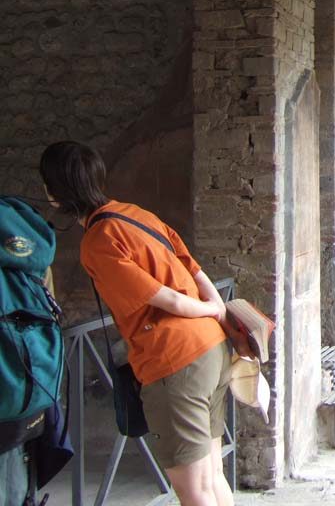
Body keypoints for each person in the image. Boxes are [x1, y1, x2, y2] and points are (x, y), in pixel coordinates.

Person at [39, 141, 233, 506]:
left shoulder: (98, 240)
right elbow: (193, 268)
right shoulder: (136, 213)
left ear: (54, 193)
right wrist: (216, 309)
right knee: (212, 477)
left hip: (176, 361)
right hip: (212, 350)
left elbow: (167, 300)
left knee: (193, 490)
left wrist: (208, 310)